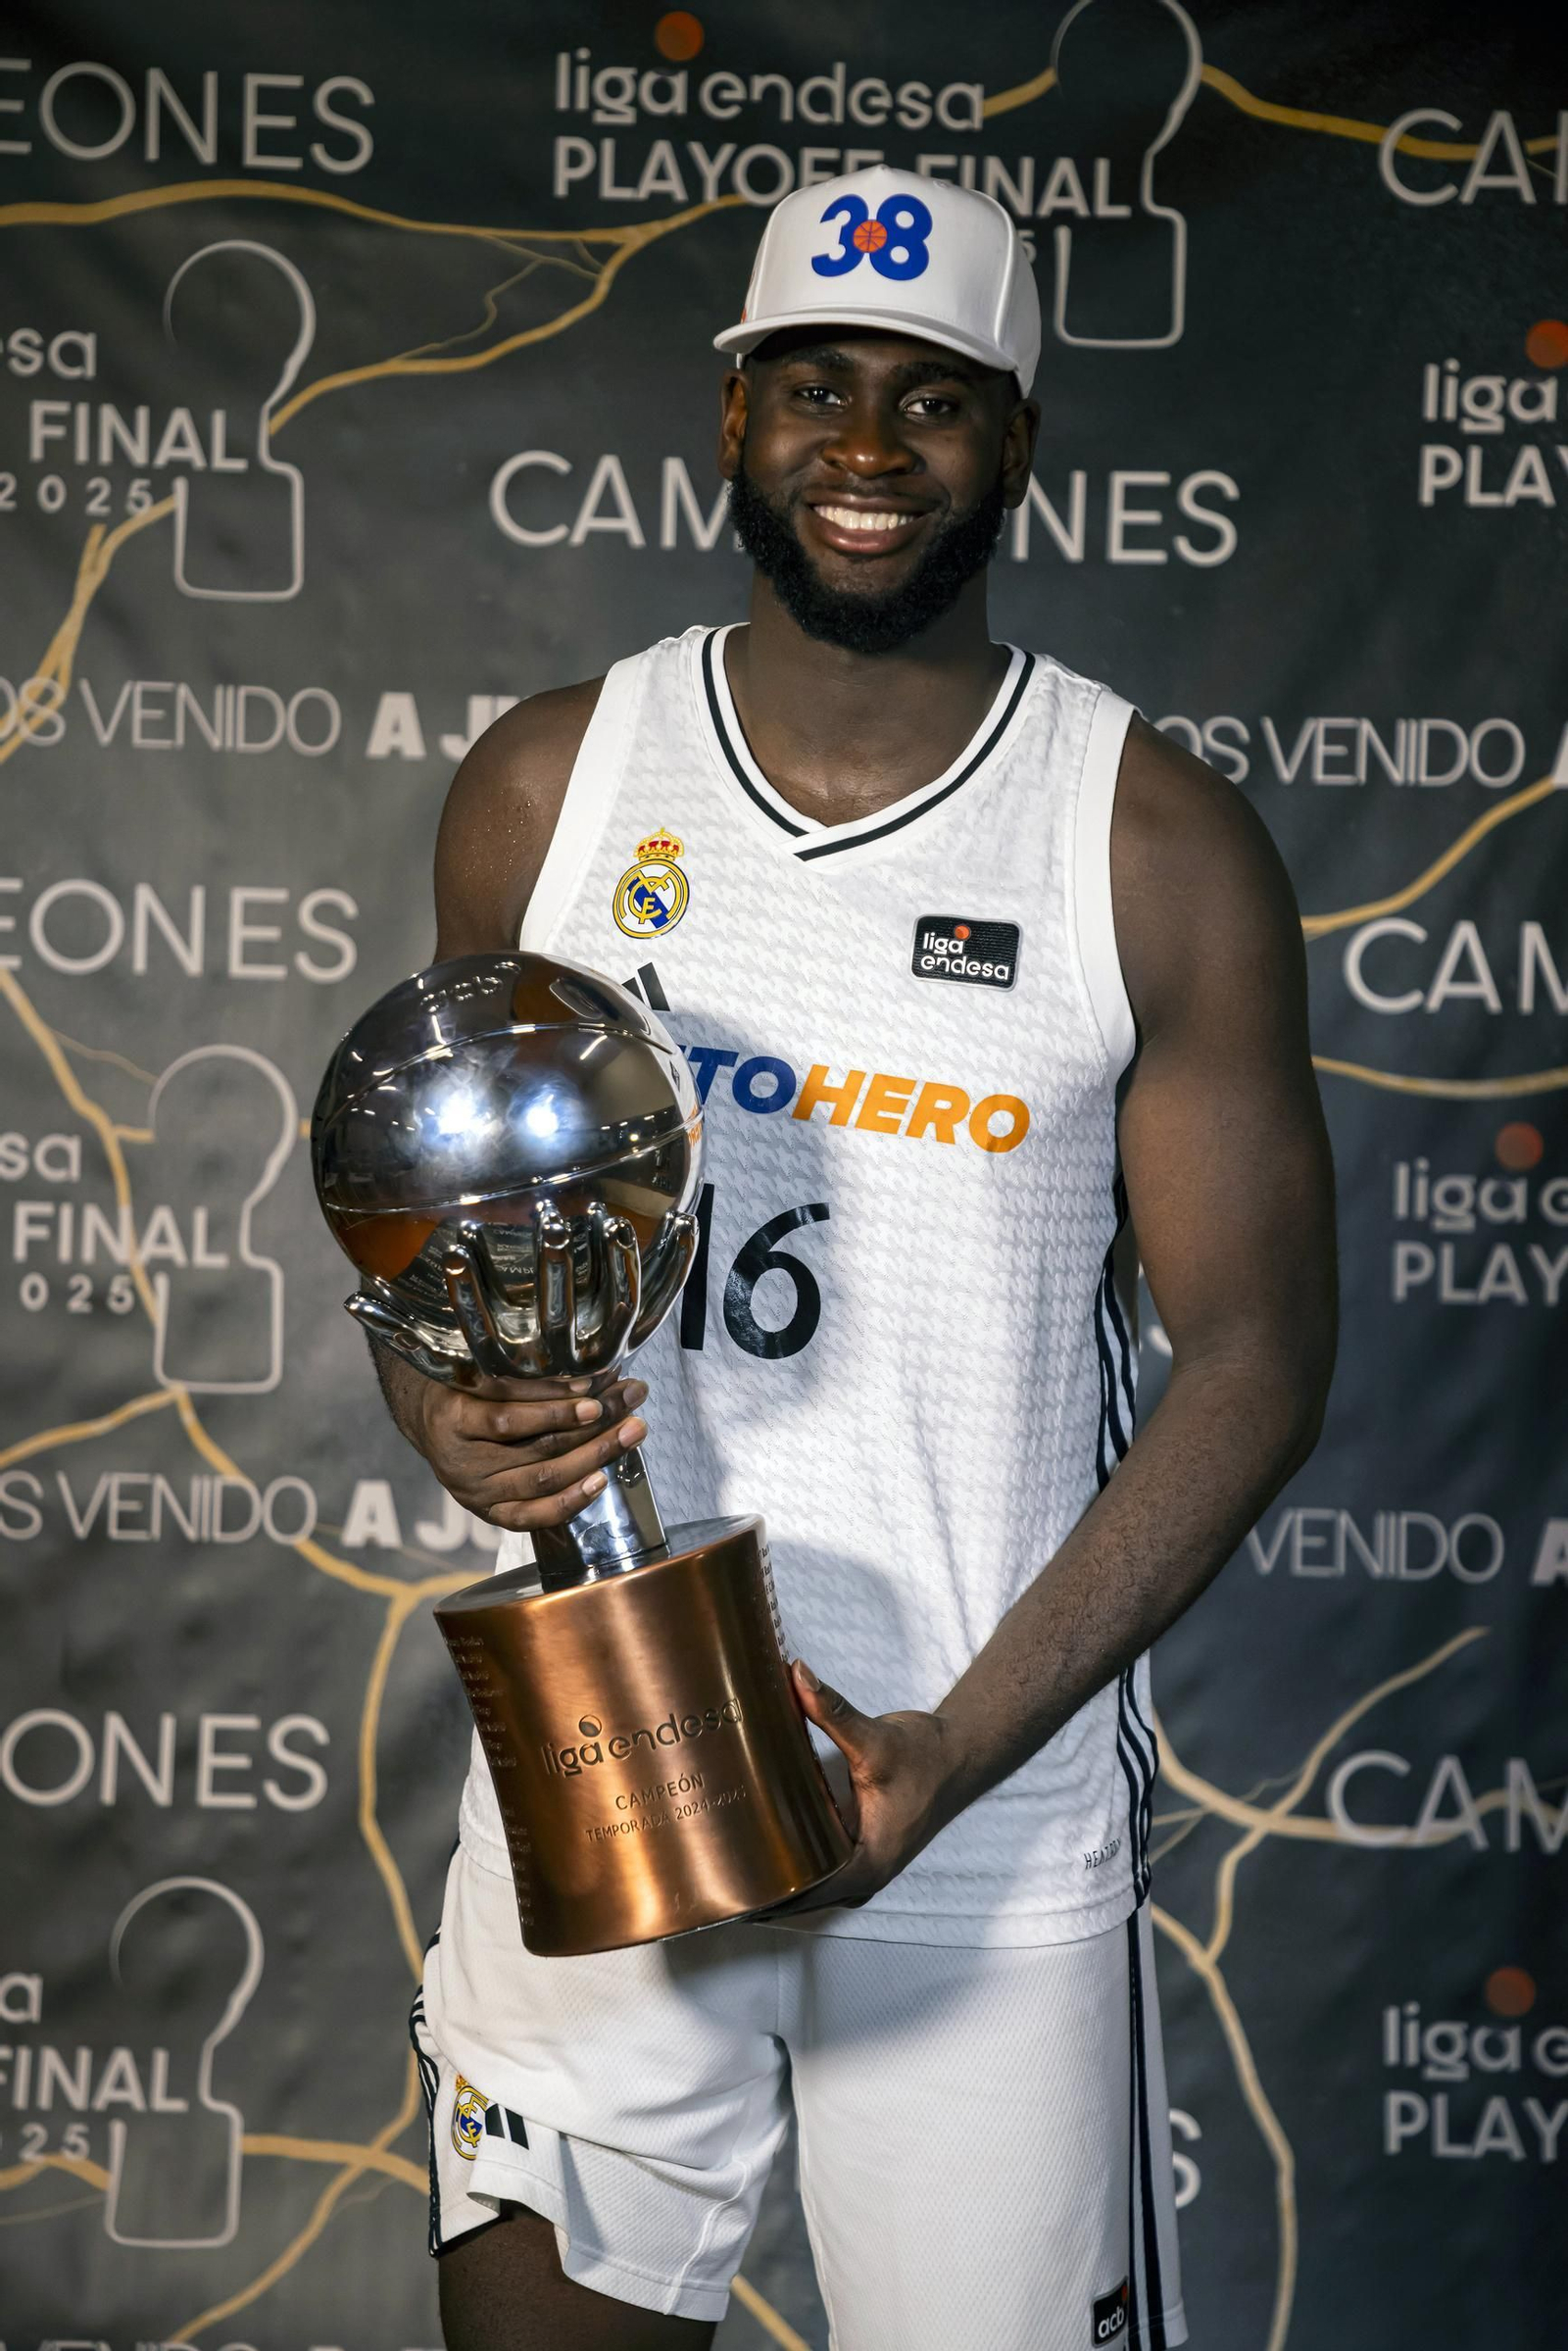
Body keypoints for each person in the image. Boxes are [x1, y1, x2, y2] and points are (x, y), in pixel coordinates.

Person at [378, 165, 1337, 2351]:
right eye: (814, 387)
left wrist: (943, 1754)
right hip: (601, 1774)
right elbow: (450, 1240)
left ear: (1018, 445)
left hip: (976, 1824)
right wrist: (448, 1405)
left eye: (934, 398)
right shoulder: (549, 789)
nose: (868, 450)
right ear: (730, 416)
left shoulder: (1148, 842)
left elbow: (1256, 1361)